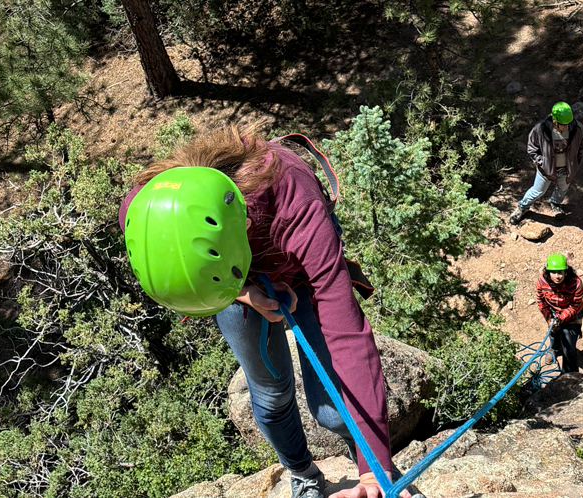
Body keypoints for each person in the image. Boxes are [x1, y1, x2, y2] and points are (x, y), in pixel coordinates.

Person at [118, 122, 411, 498]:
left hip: (301, 275)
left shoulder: (291, 196)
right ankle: (304, 474)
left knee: (331, 410)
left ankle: (373, 467)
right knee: (271, 395)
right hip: (227, 280)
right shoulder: (145, 208)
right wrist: (241, 292)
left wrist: (377, 472)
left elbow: (347, 333)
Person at [509, 102, 583, 225]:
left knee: (562, 188)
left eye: (568, 123)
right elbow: (531, 148)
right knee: (537, 191)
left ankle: (555, 203)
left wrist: (576, 161)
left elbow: (582, 146)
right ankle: (522, 207)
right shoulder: (540, 129)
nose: (567, 127)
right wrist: (541, 162)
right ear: (555, 121)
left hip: (567, 169)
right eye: (563, 124)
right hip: (546, 170)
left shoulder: (578, 129)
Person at [535, 254, 583, 373]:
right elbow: (540, 300)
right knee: (553, 332)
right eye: (554, 272)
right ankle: (554, 349)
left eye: (560, 272)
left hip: (572, 314)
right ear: (548, 272)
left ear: (566, 272)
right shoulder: (542, 281)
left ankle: (569, 375)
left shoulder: (575, 283)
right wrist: (548, 316)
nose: (557, 276)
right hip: (552, 312)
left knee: (569, 346)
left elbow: (575, 305)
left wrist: (562, 318)